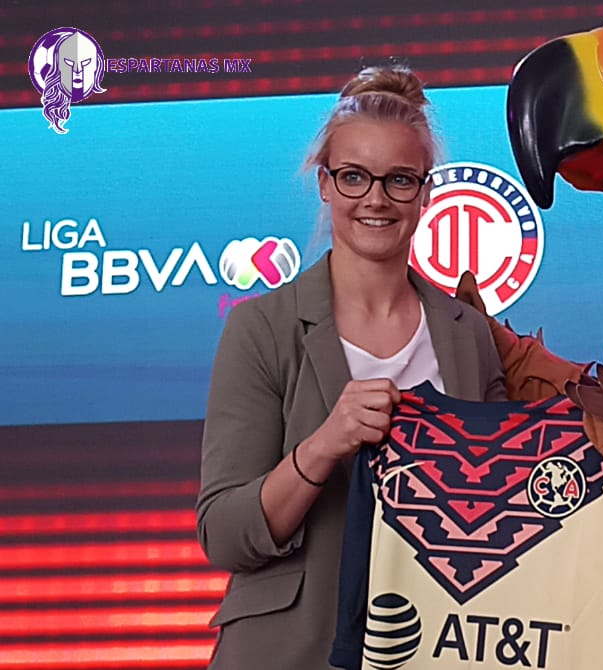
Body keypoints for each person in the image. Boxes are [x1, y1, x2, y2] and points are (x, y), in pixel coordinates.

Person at [196, 64, 505, 670]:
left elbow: (494, 511)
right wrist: (323, 446)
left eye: (398, 180)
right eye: (355, 176)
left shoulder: (469, 334)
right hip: (289, 651)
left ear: (426, 191)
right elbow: (224, 533)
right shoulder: (262, 327)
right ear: (325, 184)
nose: (376, 199)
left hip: (438, 647)